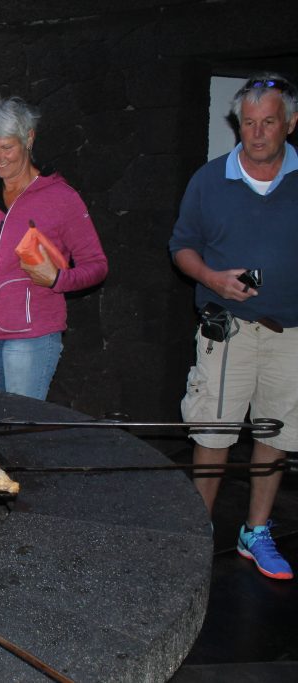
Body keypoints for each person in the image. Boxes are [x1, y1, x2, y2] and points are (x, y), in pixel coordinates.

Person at [169, 74, 298, 581]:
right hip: (229, 330)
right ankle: (197, 533)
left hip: (291, 333)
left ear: (290, 122)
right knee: (213, 432)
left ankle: (256, 531)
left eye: (268, 122)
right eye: (248, 123)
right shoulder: (209, 179)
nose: (258, 133)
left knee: (277, 433)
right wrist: (213, 280)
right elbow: (182, 246)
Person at [0, 97, 107, 399]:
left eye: (6, 147)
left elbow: (97, 265)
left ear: (28, 138)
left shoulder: (62, 198)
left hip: (32, 337)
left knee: (20, 430)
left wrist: (57, 280)